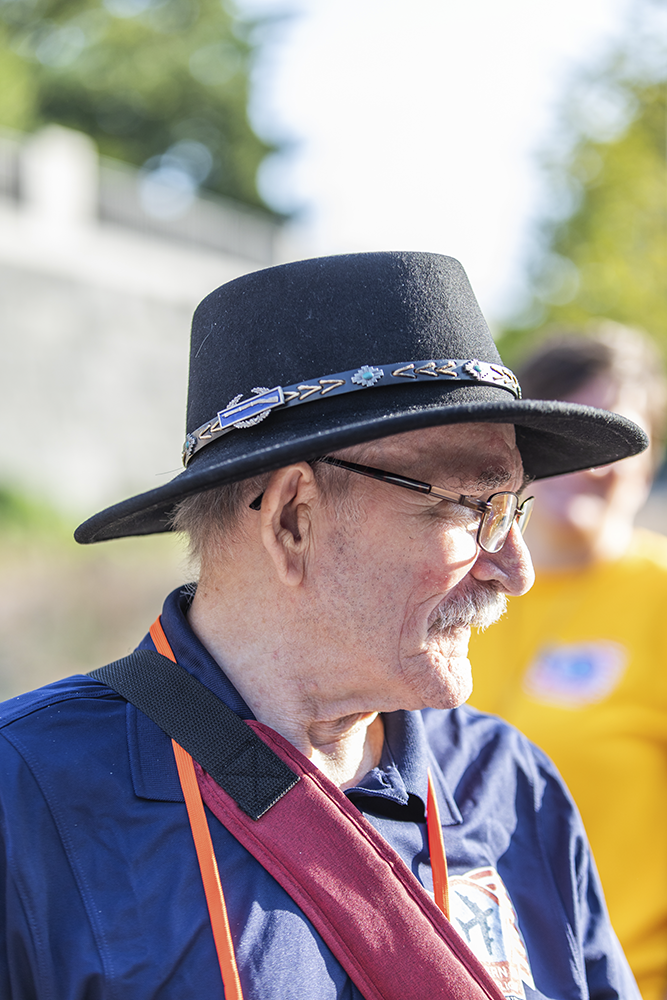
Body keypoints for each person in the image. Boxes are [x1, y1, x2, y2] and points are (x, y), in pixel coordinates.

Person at [0, 254, 647, 1000]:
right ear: (291, 520)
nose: (515, 569)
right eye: (474, 508)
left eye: (515, 508)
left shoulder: (510, 788)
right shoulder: (29, 796)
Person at [469, 323, 667, 1000]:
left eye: (612, 439)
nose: (586, 463)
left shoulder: (658, 602)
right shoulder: (448, 598)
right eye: (566, 436)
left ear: (650, 457)